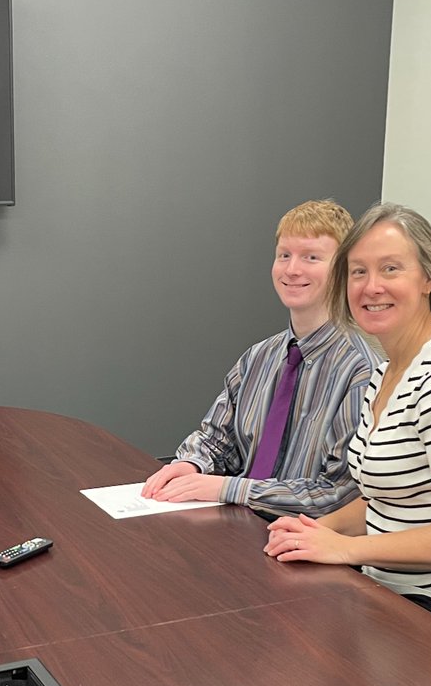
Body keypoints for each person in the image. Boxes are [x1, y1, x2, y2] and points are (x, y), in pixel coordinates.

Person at [264, 203, 431, 663]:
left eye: (391, 269)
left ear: (428, 278)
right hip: (394, 590)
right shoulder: (389, 370)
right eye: (358, 272)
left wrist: (345, 549)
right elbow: (384, 497)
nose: (371, 287)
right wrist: (316, 530)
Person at [142, 199, 377, 517]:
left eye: (311, 257)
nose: (292, 269)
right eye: (284, 255)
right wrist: (189, 462)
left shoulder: (361, 372)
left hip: (302, 547)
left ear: (345, 269)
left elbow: (338, 494)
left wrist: (229, 488)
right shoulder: (257, 358)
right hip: (235, 529)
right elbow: (216, 438)